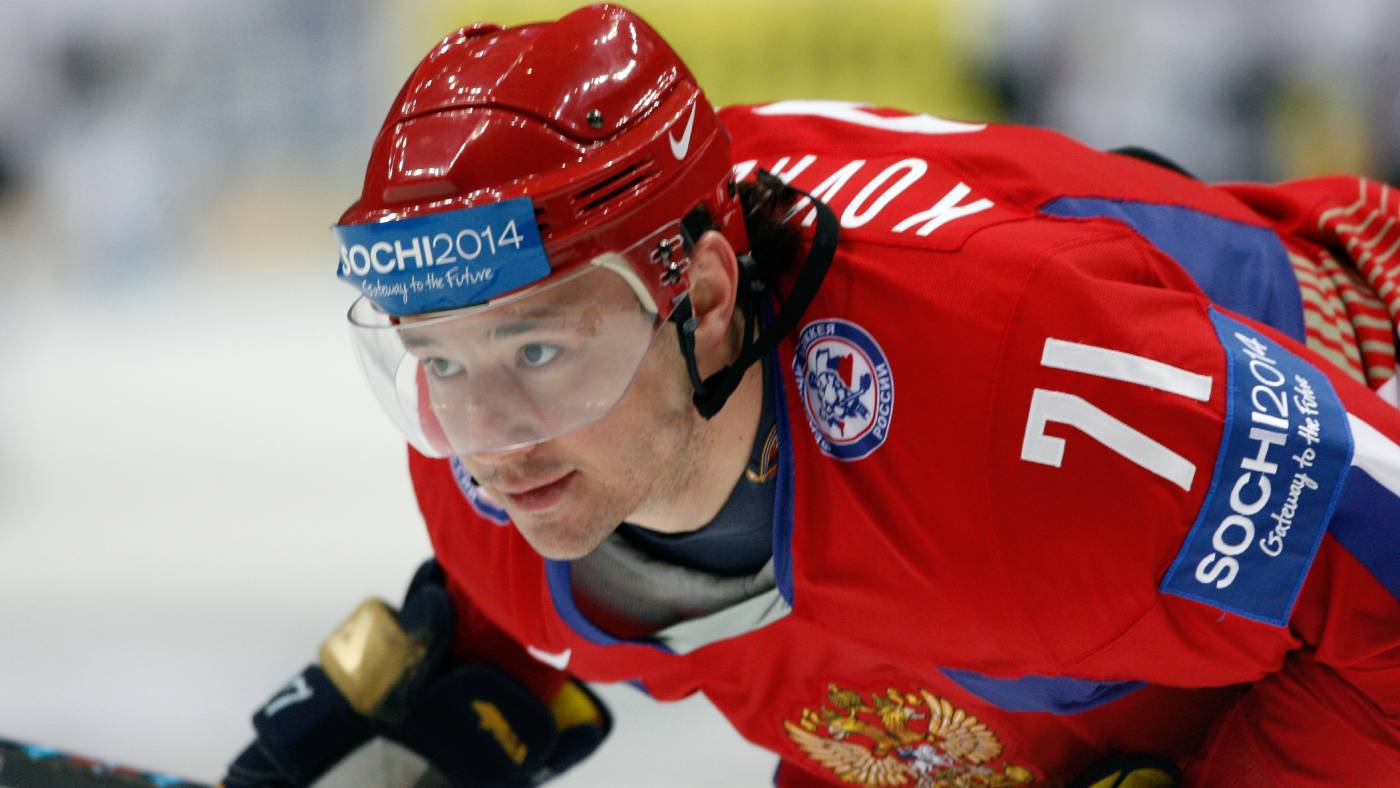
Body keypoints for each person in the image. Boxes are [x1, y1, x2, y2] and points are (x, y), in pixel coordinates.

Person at [224, 5, 1400, 786]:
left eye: (536, 352)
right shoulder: (487, 497)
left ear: (706, 298)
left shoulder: (1016, 387)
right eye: (435, 360)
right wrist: (480, 665)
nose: (487, 440)